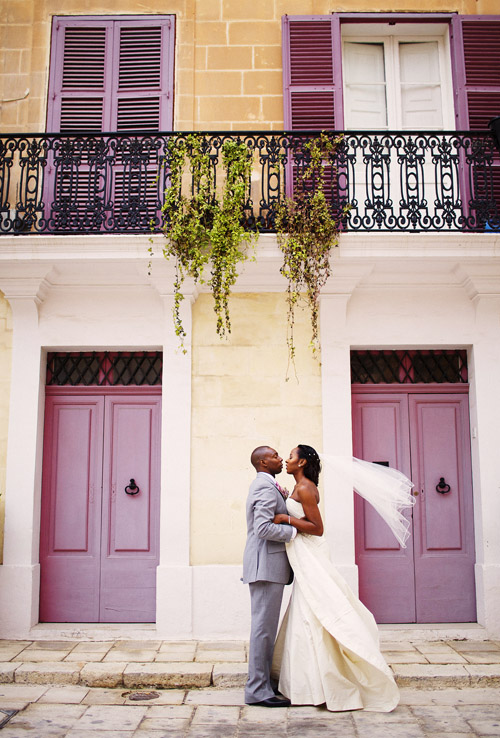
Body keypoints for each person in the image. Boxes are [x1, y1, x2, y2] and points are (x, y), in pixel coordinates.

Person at [270, 444, 400, 712]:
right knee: (306, 611)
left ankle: (323, 684)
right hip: (302, 553)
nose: (286, 460)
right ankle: (306, 683)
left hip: (312, 553)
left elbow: (317, 529)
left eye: (291, 456)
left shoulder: (305, 488)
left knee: (318, 607)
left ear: (303, 462)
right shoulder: (298, 485)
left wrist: (285, 518)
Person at [242, 445, 296, 707]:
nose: (280, 459)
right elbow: (263, 528)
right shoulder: (264, 486)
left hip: (269, 566)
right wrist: (294, 533)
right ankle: (257, 691)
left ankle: (264, 683)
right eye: (275, 456)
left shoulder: (269, 484)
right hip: (265, 566)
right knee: (262, 630)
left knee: (265, 629)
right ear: (263, 463)